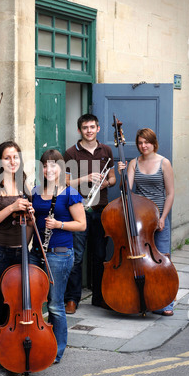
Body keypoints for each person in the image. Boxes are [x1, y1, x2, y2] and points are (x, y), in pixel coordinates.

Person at [29, 149, 86, 363]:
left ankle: (57, 349)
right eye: (45, 165)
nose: (49, 169)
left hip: (59, 255)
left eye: (53, 165)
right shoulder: (35, 191)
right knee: (32, 301)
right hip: (37, 252)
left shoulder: (70, 193)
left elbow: (82, 224)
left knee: (54, 303)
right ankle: (37, 340)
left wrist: (59, 224)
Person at [0, 141, 33, 367]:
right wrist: (11, 208)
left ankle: (10, 347)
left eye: (15, 157)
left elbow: (29, 222)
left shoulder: (23, 183)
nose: (12, 161)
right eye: (7, 157)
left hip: (21, 251)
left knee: (18, 303)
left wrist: (30, 215)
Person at [118, 127, 175, 316]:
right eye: (140, 142)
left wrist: (163, 217)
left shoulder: (164, 163)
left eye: (146, 142)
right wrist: (122, 175)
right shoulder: (134, 162)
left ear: (154, 143)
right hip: (140, 220)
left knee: (163, 260)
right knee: (142, 262)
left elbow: (170, 193)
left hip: (159, 217)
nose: (143, 146)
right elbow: (127, 191)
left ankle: (166, 303)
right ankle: (144, 298)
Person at [63, 114, 116, 313]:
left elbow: (112, 178)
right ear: (79, 130)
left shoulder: (107, 150)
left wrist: (105, 182)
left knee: (100, 255)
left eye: (92, 127)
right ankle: (72, 299)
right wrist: (86, 178)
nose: (89, 131)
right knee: (76, 257)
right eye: (85, 128)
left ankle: (99, 297)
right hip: (79, 211)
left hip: (101, 210)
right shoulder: (70, 153)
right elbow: (65, 182)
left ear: (98, 128)